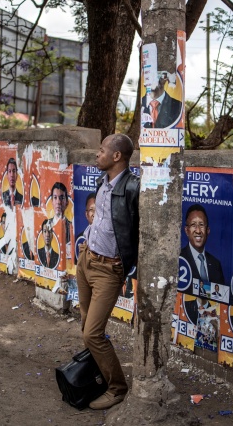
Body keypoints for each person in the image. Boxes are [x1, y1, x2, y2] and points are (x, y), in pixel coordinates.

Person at [76, 133, 139, 410]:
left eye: (101, 151)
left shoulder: (134, 188)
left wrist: (125, 266)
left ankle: (117, 388)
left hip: (108, 270)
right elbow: (102, 222)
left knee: (93, 333)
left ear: (116, 157)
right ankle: (97, 376)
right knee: (85, 325)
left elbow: (139, 234)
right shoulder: (103, 183)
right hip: (86, 261)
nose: (96, 154)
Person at [179, 204, 225, 295]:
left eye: (201, 225)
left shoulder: (216, 264)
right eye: (193, 225)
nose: (198, 231)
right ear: (186, 230)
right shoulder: (179, 259)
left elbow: (220, 296)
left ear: (208, 230)